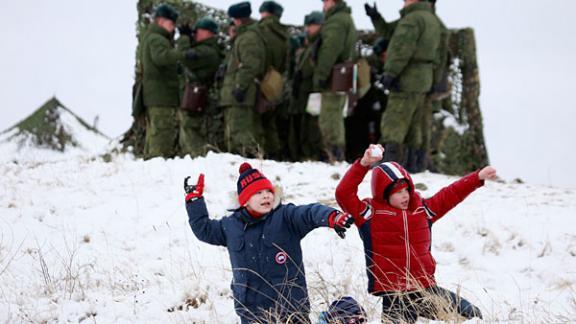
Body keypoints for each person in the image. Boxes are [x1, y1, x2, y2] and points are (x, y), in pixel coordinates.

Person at [335, 144, 496, 323]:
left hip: (425, 289)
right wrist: (364, 163)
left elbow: (450, 194)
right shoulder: (370, 215)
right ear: (383, 194)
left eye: (406, 190)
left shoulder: (422, 210)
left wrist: (477, 178)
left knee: (472, 315)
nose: (405, 196)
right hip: (395, 294)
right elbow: (343, 193)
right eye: (398, 192)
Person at [184, 163, 354, 323]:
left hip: (291, 310)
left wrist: (333, 218)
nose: (266, 195)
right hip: (252, 313)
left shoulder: (286, 217)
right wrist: (194, 201)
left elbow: (310, 213)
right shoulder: (231, 226)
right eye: (258, 193)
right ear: (244, 200)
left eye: (269, 191)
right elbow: (204, 229)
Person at [374, 0, 441, 167]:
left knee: (394, 120)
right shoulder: (431, 19)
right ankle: (414, 164)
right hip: (423, 78)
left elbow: (401, 48)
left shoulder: (412, 20)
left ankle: (387, 164)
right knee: (414, 124)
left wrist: (391, 72)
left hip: (407, 78)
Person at [140, 4, 190, 159]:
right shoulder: (157, 39)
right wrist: (182, 47)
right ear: (161, 21)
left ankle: (151, 167)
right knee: (162, 137)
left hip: (157, 96)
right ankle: (155, 169)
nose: (173, 27)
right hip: (162, 97)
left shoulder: (152, 37)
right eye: (171, 23)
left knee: (155, 135)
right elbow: (161, 58)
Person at [219, 2, 266, 157]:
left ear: (238, 20)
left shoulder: (248, 38)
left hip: (241, 94)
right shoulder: (244, 36)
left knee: (240, 134)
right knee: (235, 133)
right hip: (237, 93)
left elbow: (249, 65)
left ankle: (250, 162)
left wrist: (240, 86)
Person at [313, 0, 358, 162]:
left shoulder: (337, 21)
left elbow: (329, 50)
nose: (324, 6)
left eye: (326, 2)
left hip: (333, 76)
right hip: (341, 76)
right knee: (336, 118)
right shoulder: (346, 18)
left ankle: (333, 156)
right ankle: (337, 156)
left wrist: (320, 75)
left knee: (329, 119)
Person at [177, 17, 224, 157]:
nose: (195, 34)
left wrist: (184, 38)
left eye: (198, 31)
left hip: (199, 99)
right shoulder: (207, 49)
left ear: (208, 33)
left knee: (193, 133)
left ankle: (198, 160)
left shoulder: (208, 52)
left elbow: (184, 57)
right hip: (197, 98)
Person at [288, 11, 326, 161]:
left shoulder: (319, 43)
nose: (308, 29)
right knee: (301, 126)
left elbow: (314, 68)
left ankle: (311, 154)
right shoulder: (311, 46)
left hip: (312, 91)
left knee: (310, 127)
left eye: (311, 25)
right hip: (303, 93)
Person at [257, 1, 290, 160]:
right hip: (275, 81)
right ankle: (275, 154)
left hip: (261, 80)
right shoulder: (284, 34)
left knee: (257, 120)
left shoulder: (262, 31)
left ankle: (260, 154)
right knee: (270, 121)